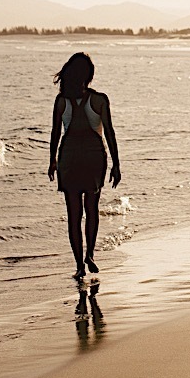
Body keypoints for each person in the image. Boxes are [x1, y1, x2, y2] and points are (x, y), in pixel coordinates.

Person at [48, 52, 121, 280]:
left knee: (73, 214)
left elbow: (55, 133)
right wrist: (116, 164)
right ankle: (90, 254)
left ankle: (79, 264)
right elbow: (108, 132)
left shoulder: (61, 102)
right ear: (89, 75)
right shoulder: (99, 100)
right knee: (92, 210)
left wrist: (53, 161)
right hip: (93, 159)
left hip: (69, 159)